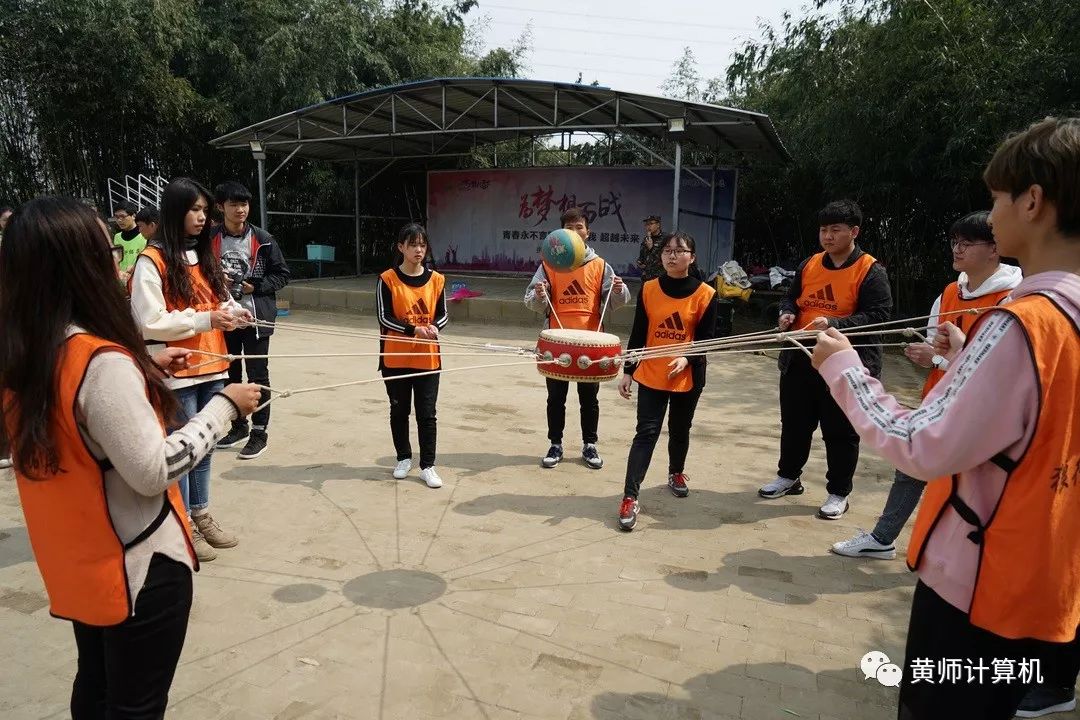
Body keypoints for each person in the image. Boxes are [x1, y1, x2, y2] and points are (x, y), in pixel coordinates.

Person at [812, 117, 1080, 720]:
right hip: (1042, 571)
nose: (991, 215)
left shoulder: (1024, 321)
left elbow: (922, 444)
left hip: (979, 581)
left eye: (998, 198)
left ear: (1033, 202)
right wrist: (963, 358)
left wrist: (844, 368)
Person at [0, 197, 261, 719]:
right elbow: (153, 470)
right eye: (107, 254)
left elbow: (79, 420)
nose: (117, 266)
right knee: (132, 706)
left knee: (97, 686)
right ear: (79, 267)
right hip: (137, 570)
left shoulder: (25, 353)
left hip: (79, 563)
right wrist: (224, 409)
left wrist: (144, 364)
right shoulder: (100, 361)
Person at [831, 210, 1021, 559]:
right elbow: (936, 342)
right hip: (940, 397)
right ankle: (883, 538)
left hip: (982, 412)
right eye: (955, 242)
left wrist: (939, 360)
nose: (957, 249)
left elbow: (1000, 370)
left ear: (995, 249)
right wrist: (930, 356)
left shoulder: (1013, 299)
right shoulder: (950, 291)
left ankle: (964, 556)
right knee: (910, 467)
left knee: (965, 482)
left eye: (967, 243)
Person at [129, 177, 249, 562]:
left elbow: (219, 300)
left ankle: (201, 513)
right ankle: (181, 525)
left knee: (206, 446)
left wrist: (235, 313)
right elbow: (150, 322)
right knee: (181, 450)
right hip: (176, 370)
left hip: (213, 365)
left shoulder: (204, 254)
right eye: (194, 209)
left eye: (204, 210)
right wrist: (205, 320)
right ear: (175, 210)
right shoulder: (152, 260)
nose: (201, 217)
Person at [757, 199, 892, 519]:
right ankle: (789, 477)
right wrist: (787, 312)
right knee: (795, 423)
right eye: (823, 230)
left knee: (840, 429)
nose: (827, 236)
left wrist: (834, 324)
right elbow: (791, 297)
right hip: (801, 357)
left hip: (844, 362)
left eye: (835, 230)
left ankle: (838, 492)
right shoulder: (810, 264)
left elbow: (879, 316)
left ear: (854, 232)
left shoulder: (870, 270)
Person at [616, 232, 718, 530]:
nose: (671, 256)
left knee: (680, 428)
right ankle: (630, 496)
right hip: (652, 371)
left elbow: (706, 339)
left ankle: (676, 472)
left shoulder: (706, 294)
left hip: (688, 373)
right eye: (667, 251)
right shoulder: (649, 289)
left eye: (679, 250)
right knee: (646, 433)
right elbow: (638, 333)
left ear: (691, 257)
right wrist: (628, 370)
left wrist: (687, 358)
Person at [524, 207, 629, 470]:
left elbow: (615, 301)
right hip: (557, 343)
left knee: (589, 398)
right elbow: (531, 301)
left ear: (587, 232)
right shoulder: (549, 265)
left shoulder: (600, 265)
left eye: (579, 227)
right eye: (568, 228)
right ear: (560, 234)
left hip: (590, 345)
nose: (574, 232)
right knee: (555, 398)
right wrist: (539, 294)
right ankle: (555, 444)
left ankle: (589, 445)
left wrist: (619, 289)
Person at [211, 181, 291, 460]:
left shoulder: (264, 239)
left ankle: (259, 433)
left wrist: (255, 287)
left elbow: (282, 274)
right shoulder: (209, 239)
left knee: (258, 375)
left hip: (256, 317)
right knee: (228, 373)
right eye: (233, 204)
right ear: (220, 207)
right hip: (223, 317)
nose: (240, 209)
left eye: (244, 204)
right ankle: (238, 426)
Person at [376, 223, 449, 488]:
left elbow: (443, 314)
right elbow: (384, 317)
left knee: (427, 414)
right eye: (413, 245)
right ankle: (403, 458)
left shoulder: (437, 280)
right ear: (401, 247)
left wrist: (434, 327)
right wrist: (413, 329)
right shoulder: (387, 279)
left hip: (427, 359)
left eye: (422, 245)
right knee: (399, 410)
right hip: (396, 359)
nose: (419, 250)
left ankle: (428, 465)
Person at [112, 201, 147, 279]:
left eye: (122, 216)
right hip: (122, 280)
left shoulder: (144, 236)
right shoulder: (117, 237)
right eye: (116, 217)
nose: (119, 220)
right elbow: (116, 260)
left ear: (133, 216)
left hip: (139, 279)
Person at [637, 214, 664, 281]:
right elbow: (642, 255)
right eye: (647, 224)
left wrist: (651, 248)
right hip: (646, 276)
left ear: (658, 225)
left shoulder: (665, 238)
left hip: (659, 277)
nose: (648, 226)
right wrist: (639, 262)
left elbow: (665, 258)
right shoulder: (646, 239)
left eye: (651, 224)